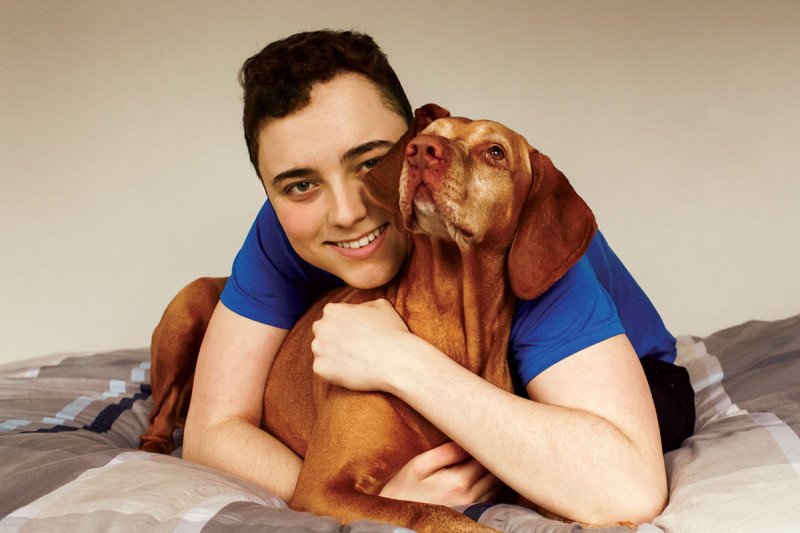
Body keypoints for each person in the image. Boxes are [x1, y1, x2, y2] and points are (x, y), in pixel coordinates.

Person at [183, 30, 694, 526]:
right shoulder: (286, 230)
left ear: (415, 141)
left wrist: (399, 361)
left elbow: (629, 488)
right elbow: (211, 432)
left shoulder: (527, 236)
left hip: (627, 380)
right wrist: (363, 496)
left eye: (371, 162)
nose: (344, 213)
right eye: (299, 184)